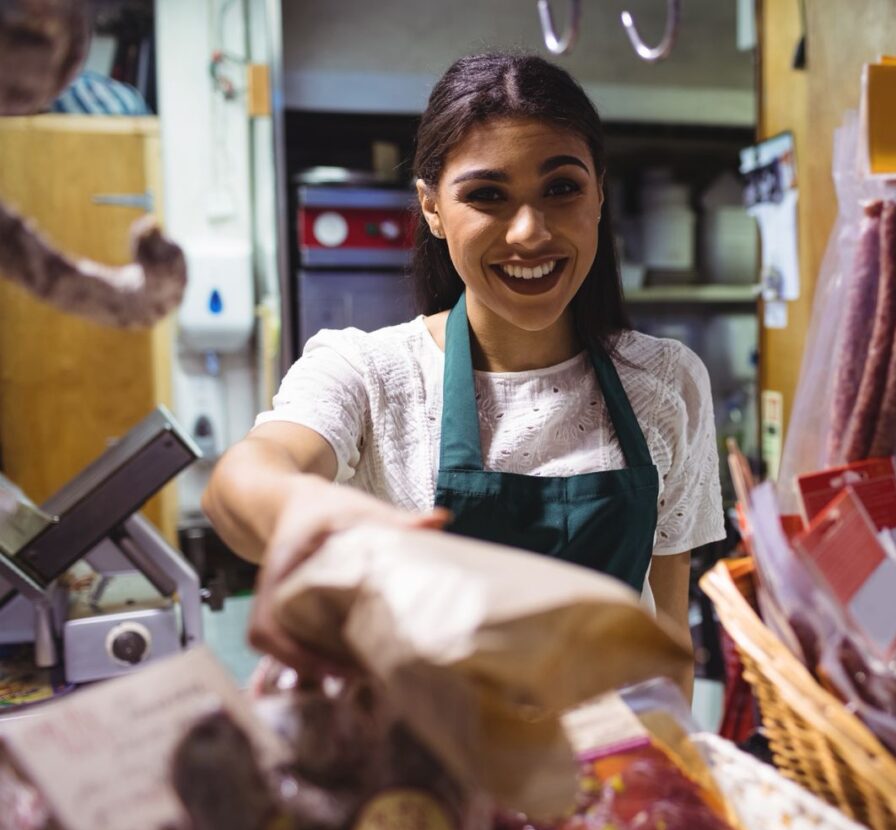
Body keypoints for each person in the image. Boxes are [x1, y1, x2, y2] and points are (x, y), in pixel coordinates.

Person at [204, 54, 725, 682]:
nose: (530, 233)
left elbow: (667, 635)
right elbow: (244, 479)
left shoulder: (667, 382)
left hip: (605, 766)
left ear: (599, 194)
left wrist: (670, 768)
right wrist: (304, 515)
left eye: (562, 188)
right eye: (487, 196)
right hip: (428, 769)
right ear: (431, 208)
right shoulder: (370, 374)